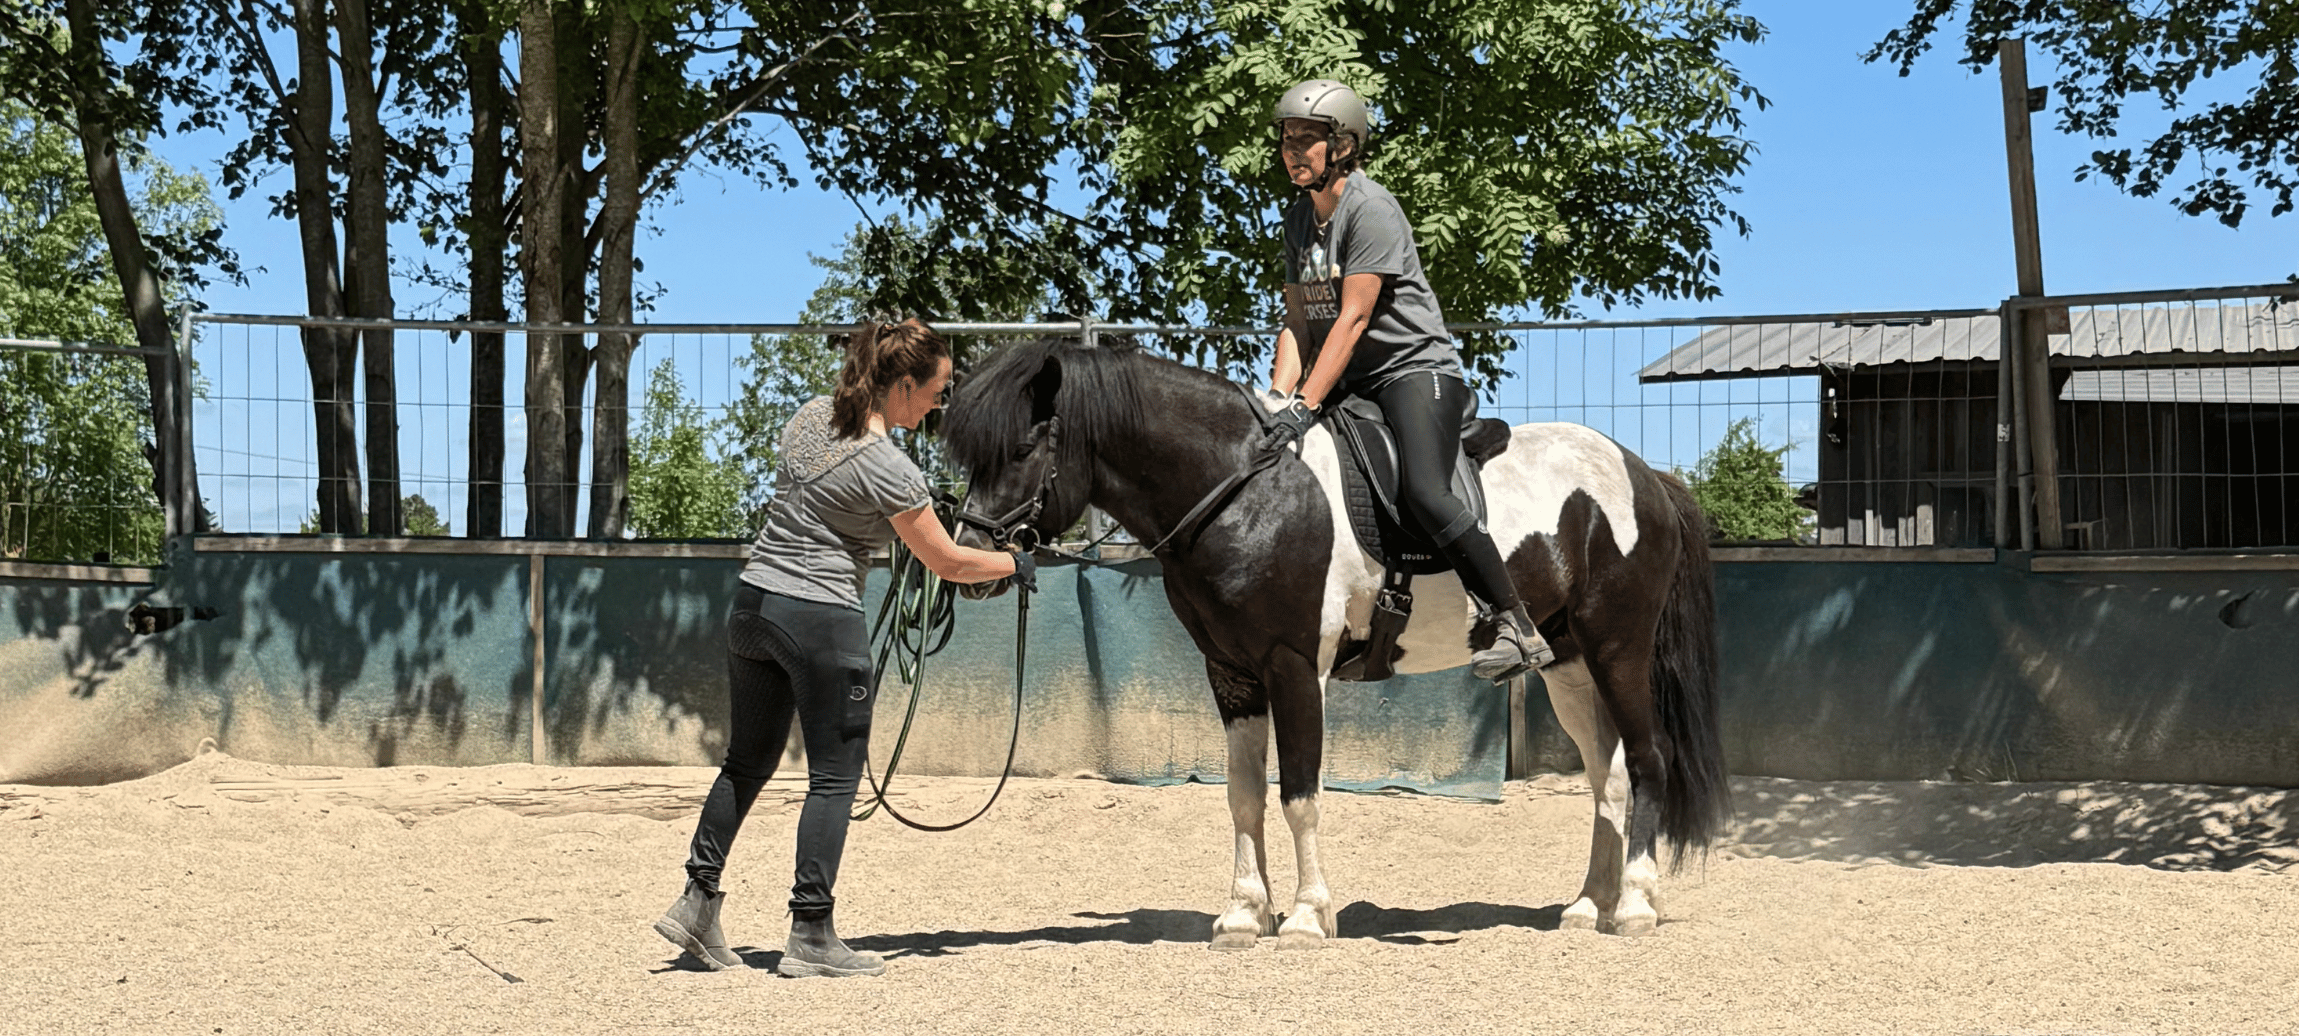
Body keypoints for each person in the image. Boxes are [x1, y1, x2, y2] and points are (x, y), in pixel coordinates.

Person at [653, 318, 1031, 979]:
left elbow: (832, 503)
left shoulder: (809, 417)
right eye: (936, 391)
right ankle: (811, 933)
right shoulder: (891, 468)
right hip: (821, 619)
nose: (939, 405)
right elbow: (946, 561)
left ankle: (696, 899)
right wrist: (1013, 564)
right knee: (833, 777)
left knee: (744, 764)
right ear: (903, 384)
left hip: (754, 606)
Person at [1260, 79, 1554, 683]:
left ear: (1342, 146)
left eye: (1307, 140)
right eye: (1287, 139)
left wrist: (1308, 398)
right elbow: (1297, 325)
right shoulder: (1297, 220)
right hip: (1350, 379)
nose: (1293, 151)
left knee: (1424, 488)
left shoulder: (1371, 209)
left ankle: (1514, 622)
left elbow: (1354, 317)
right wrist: (1280, 402)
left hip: (1413, 371)